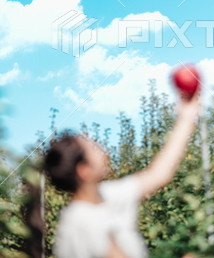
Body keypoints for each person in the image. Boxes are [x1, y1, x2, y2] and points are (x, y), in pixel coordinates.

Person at [44, 94, 201, 258]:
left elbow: (159, 174)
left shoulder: (106, 195)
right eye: (92, 147)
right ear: (84, 170)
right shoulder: (82, 220)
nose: (101, 148)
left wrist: (186, 117)